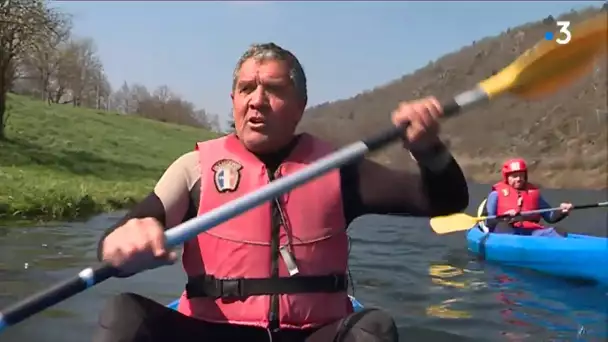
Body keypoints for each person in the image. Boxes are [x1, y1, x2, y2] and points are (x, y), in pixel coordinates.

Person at [93, 42, 469, 342]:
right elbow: (123, 237)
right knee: (124, 315)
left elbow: (445, 201)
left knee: (374, 329)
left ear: (299, 106)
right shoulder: (194, 169)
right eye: (246, 89)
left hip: (311, 333)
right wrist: (122, 241)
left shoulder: (337, 169)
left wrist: (428, 149)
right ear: (234, 101)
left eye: (273, 90)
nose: (257, 100)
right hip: (211, 332)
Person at [483, 158, 573, 237]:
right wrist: (503, 218)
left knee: (559, 233)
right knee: (505, 229)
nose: (518, 179)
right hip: (506, 231)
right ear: (507, 178)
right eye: (514, 176)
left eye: (521, 175)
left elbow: (550, 216)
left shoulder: (533, 193)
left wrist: (562, 211)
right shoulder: (496, 194)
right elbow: (488, 222)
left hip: (531, 232)